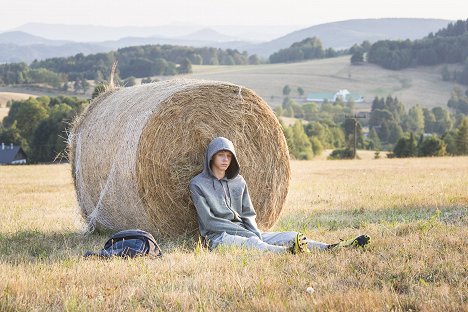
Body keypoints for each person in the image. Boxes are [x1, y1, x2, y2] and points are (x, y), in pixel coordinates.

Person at [189, 137, 370, 254]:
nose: (225, 160)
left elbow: (248, 213)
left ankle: (330, 247)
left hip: (249, 232)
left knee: (292, 234)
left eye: (229, 156)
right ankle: (288, 252)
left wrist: (254, 231)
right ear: (211, 157)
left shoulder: (239, 182)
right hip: (219, 238)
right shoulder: (198, 184)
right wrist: (249, 235)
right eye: (220, 155)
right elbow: (209, 222)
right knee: (254, 244)